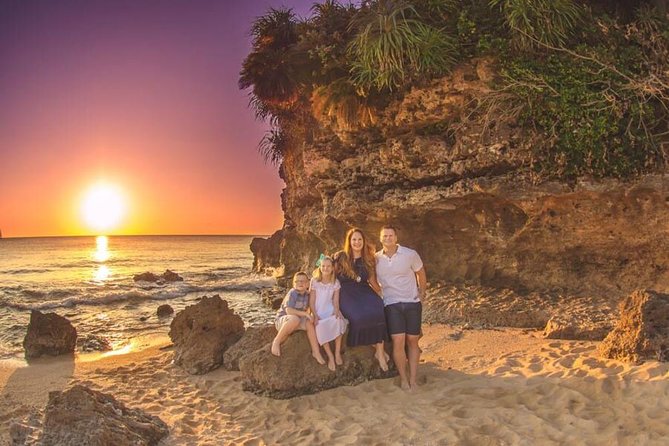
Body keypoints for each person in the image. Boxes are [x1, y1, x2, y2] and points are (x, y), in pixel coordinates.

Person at [375, 225, 427, 391]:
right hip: (391, 304)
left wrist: (422, 292)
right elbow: (370, 279)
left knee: (412, 340)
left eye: (391, 236)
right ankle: (403, 379)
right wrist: (379, 292)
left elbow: (421, 272)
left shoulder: (410, 254)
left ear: (396, 238)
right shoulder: (375, 258)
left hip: (412, 302)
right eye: (385, 236)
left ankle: (413, 380)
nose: (388, 238)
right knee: (398, 341)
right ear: (380, 239)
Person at [334, 228, 389, 371]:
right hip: (347, 294)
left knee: (379, 310)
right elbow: (322, 267)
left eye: (359, 239)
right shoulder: (340, 257)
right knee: (358, 317)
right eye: (354, 239)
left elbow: (373, 283)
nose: (357, 242)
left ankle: (380, 352)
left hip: (365, 291)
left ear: (363, 242)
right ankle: (377, 347)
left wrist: (387, 294)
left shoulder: (368, 260)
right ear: (349, 242)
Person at [271, 271, 326, 365]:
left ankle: (316, 352)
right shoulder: (292, 293)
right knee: (295, 319)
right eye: (297, 281)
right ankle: (276, 341)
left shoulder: (308, 295)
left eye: (303, 281)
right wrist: (305, 314)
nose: (300, 283)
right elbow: (289, 311)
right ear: (293, 284)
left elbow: (311, 308)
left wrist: (314, 316)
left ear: (308, 284)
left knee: (309, 322)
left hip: (297, 321)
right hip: (284, 321)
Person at [309, 255, 348, 372]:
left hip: (330, 308)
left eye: (328, 266)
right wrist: (314, 314)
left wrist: (336, 311)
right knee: (320, 327)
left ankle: (337, 353)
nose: (325, 268)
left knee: (339, 322)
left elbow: (335, 301)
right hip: (318, 310)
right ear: (320, 267)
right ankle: (330, 356)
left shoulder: (335, 282)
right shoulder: (314, 281)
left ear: (332, 268)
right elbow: (311, 301)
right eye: (323, 266)